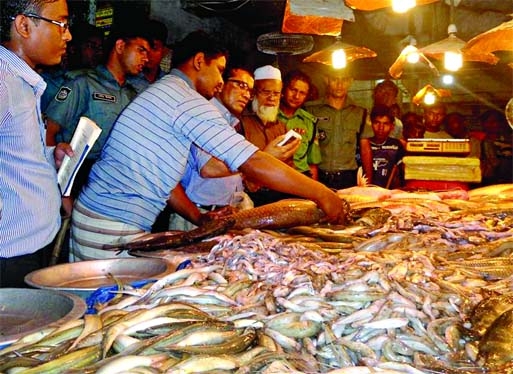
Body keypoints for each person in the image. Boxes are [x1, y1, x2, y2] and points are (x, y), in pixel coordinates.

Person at [69, 31, 345, 262]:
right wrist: (323, 194)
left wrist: (199, 218)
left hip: (98, 220)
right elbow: (253, 162)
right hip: (110, 227)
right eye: (221, 71)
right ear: (199, 61)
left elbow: (166, 182)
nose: (221, 81)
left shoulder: (167, 92)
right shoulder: (185, 100)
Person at [0, 0, 73, 287]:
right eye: (61, 25)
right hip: (11, 255)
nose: (67, 36)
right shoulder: (3, 81)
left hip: (31, 244)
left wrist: (49, 154)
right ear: (24, 25)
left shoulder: (21, 81)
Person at [45, 20, 151, 197]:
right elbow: (49, 131)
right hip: (78, 175)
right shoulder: (83, 83)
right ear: (120, 46)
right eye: (141, 50)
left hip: (112, 181)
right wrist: (59, 186)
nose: (146, 59)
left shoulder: (132, 94)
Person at [166, 65, 255, 231]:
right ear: (221, 84)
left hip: (223, 215)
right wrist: (253, 164)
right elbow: (209, 168)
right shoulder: (202, 115)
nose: (246, 94)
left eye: (250, 90)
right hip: (195, 217)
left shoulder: (232, 123)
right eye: (241, 85)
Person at [240, 64, 301, 206]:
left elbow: (289, 166)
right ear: (253, 93)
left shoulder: (281, 127)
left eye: (276, 93)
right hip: (249, 198)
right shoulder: (240, 122)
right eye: (266, 92)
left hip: (277, 195)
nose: (272, 98)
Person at [306, 70, 367, 189]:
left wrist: (368, 183)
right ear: (326, 80)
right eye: (335, 79)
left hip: (348, 177)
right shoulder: (311, 110)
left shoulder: (360, 112)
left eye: (344, 80)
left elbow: (365, 148)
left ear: (350, 81)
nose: (340, 84)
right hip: (319, 175)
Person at [278, 69, 321, 180]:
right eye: (293, 90)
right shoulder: (269, 115)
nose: (296, 96)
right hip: (274, 177)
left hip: (301, 178)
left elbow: (312, 163)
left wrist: (312, 191)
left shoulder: (309, 121)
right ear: (283, 89)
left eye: (302, 93)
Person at [360, 105, 405, 188]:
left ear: (392, 126)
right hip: (364, 192)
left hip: (389, 193)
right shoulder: (362, 145)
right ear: (371, 123)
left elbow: (403, 173)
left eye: (385, 124)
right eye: (377, 123)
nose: (381, 128)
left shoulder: (397, 145)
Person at [130, 19, 168, 91]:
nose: (148, 55)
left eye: (154, 49)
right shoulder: (127, 80)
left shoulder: (167, 81)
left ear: (164, 51)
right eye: (143, 49)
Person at [480, 109, 513, 185]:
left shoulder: (508, 140)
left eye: (494, 121)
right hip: (488, 181)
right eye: (487, 122)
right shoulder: (481, 141)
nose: (491, 125)